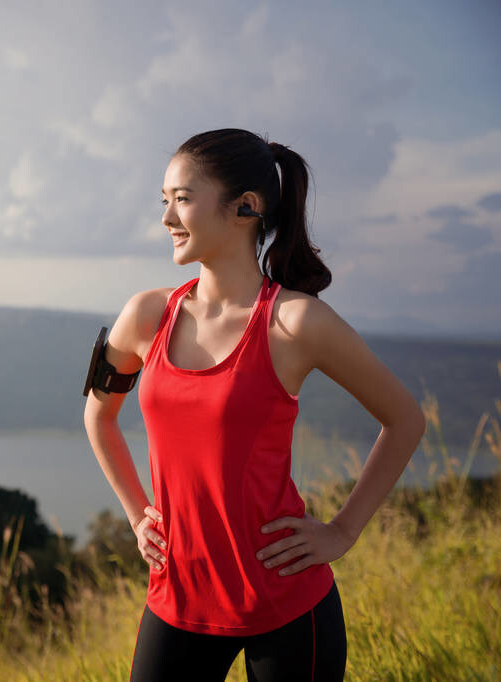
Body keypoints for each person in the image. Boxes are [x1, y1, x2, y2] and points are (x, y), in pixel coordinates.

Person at [82, 128, 426, 681]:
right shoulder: (146, 316)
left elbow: (405, 419)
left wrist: (342, 532)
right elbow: (98, 415)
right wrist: (135, 512)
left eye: (183, 200)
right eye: (164, 202)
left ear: (246, 207)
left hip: (285, 601)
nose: (167, 218)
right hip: (177, 599)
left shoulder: (295, 322)